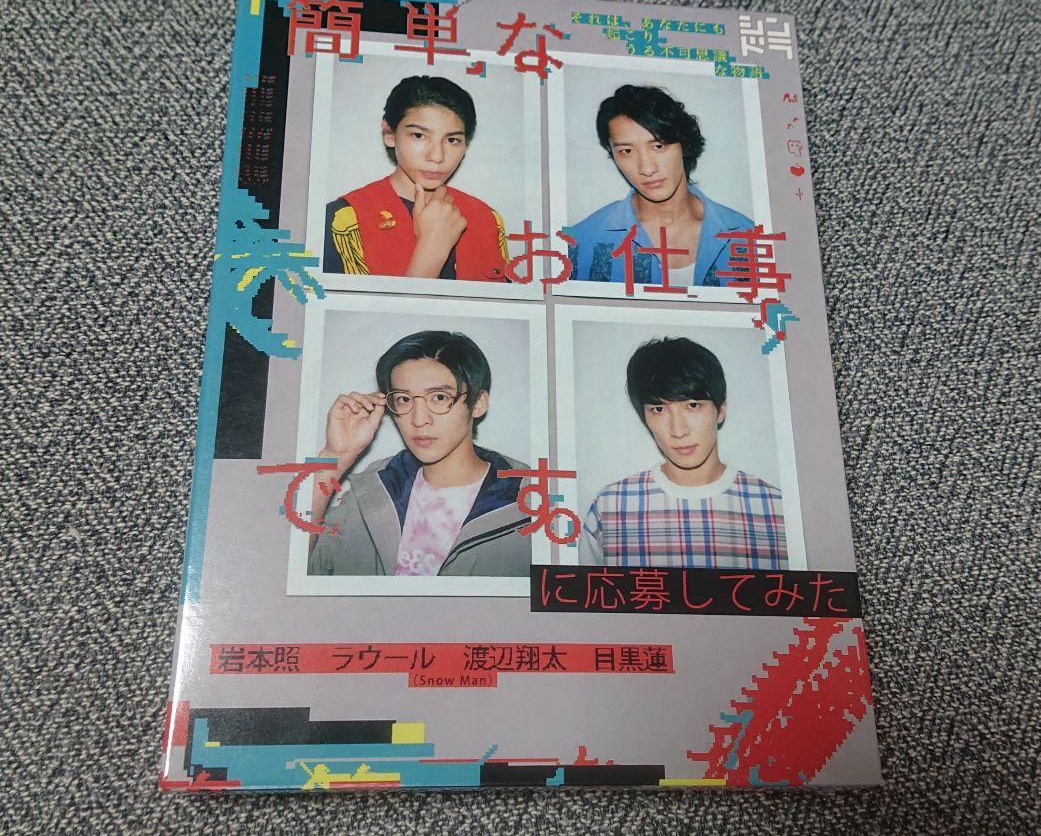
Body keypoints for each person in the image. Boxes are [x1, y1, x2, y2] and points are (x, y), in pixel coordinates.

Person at [308, 331, 530, 576]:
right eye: (404, 399)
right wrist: (336, 456)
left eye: (439, 397)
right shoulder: (373, 489)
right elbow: (295, 566)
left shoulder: (531, 500)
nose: (419, 419)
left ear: (478, 403)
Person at [579, 337, 787, 569]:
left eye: (693, 405)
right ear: (644, 417)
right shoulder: (611, 507)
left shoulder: (777, 509)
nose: (678, 431)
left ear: (720, 410)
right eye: (659, 409)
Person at [565, 84, 754, 288]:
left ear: (683, 144)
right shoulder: (579, 243)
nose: (647, 168)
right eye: (626, 151)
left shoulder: (748, 237)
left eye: (658, 146)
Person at [323, 76, 509, 281]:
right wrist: (432, 247)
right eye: (419, 136)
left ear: (465, 145)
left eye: (452, 140)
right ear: (389, 134)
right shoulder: (345, 220)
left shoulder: (487, 220)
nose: (437, 156)